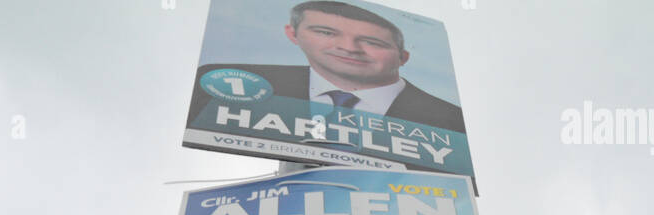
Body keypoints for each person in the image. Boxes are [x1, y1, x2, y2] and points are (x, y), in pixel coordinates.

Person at [189, 1, 465, 130]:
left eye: (371, 42)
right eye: (325, 32)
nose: (348, 48)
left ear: (403, 57)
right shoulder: (224, 83)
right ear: (293, 34)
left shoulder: (450, 121)